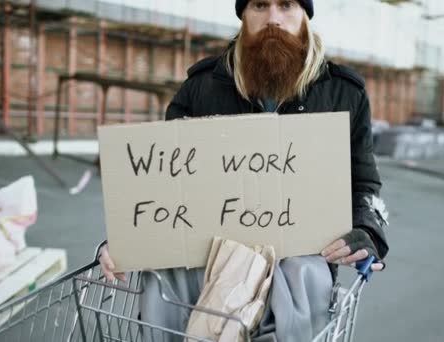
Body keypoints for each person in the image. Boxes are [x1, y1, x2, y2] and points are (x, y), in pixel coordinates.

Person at [98, 0, 389, 338]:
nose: (273, 19)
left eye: (286, 5)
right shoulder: (202, 86)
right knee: (168, 274)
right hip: (206, 260)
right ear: (243, 16)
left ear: (305, 17)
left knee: (302, 274)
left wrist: (367, 233)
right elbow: (165, 185)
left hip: (299, 261)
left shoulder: (344, 93)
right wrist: (127, 239)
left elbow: (364, 185)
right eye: (260, 5)